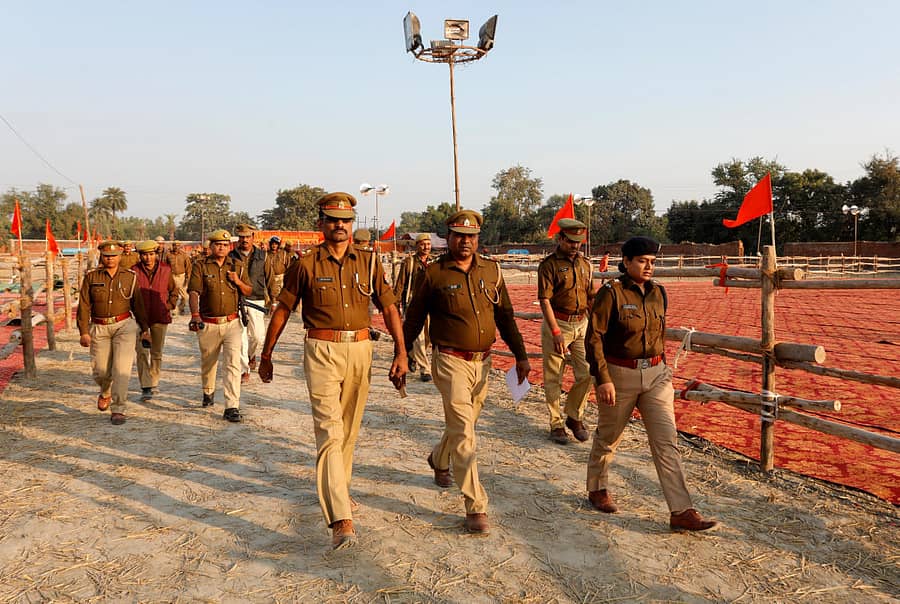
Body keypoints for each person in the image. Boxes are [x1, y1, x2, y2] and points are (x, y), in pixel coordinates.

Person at [258, 192, 407, 549]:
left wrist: (402, 352)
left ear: (352, 223)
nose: (339, 225)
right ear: (321, 224)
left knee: (350, 430)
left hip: (360, 349)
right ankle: (341, 516)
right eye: (332, 219)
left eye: (345, 220)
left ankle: (340, 488)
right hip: (321, 349)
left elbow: (388, 309)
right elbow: (283, 309)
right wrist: (266, 353)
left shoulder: (370, 263)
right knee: (329, 430)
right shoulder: (306, 263)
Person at [403, 209, 531, 535]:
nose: (465, 242)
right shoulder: (433, 274)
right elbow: (414, 319)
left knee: (464, 425)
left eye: (471, 236)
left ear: (478, 239)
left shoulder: (492, 271)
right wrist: (401, 356)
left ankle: (438, 457)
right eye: (459, 236)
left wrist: (520, 355)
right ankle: (476, 505)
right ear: (448, 238)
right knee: (464, 430)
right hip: (449, 361)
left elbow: (505, 317)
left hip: (483, 363)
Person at [585, 236, 718, 532]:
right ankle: (597, 487)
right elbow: (593, 337)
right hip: (620, 375)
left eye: (653, 262)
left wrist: (664, 368)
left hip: (656, 374)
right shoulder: (612, 293)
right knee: (609, 436)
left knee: (666, 441)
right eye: (642, 261)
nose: (649, 267)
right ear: (627, 261)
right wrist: (603, 378)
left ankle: (681, 510)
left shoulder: (659, 292)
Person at [76, 240, 151, 425]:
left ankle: (118, 408)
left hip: (124, 325)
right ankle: (105, 390)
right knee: (100, 370)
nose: (110, 259)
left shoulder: (130, 277)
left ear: (119, 256)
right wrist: (84, 331)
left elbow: (138, 305)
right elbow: (84, 306)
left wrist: (145, 329)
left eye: (114, 256)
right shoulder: (91, 277)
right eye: (107, 256)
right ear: (102, 256)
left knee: (121, 368)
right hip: (99, 327)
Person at [538, 218, 596, 444]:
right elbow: (544, 300)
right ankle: (555, 423)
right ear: (560, 238)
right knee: (554, 377)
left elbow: (591, 296)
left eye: (579, 241)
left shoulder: (586, 264)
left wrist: (596, 326)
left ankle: (574, 416)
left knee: (589, 372)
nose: (575, 245)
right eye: (570, 241)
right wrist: (555, 331)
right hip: (558, 322)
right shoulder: (549, 265)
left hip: (582, 323)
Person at [188, 229, 252, 422]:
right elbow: (193, 292)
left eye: (225, 245)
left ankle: (231, 406)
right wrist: (195, 315)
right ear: (211, 246)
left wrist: (238, 281)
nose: (221, 248)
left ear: (229, 247)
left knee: (233, 363)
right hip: (208, 323)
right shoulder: (201, 266)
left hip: (232, 322)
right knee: (209, 362)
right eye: (217, 244)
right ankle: (208, 391)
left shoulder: (238, 266)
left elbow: (249, 290)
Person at [133, 240, 178, 401]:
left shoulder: (166, 270)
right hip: (140, 317)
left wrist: (169, 305)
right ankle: (145, 386)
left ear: (156, 254)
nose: (148, 258)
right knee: (141, 351)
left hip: (160, 316)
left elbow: (174, 290)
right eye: (144, 254)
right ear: (140, 255)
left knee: (156, 352)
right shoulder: (134, 271)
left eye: (151, 254)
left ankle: (153, 381)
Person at [229, 224, 274, 383]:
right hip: (237, 299)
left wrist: (274, 301)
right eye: (241, 237)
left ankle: (251, 354)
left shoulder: (263, 256)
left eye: (247, 237)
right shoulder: (230, 256)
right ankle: (244, 369)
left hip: (257, 300)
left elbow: (270, 278)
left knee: (257, 336)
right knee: (241, 338)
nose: (244, 240)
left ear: (253, 238)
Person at [393, 233, 433, 382]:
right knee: (418, 336)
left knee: (428, 338)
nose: (426, 247)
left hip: (431, 305)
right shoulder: (409, 263)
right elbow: (400, 284)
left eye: (428, 244)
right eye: (423, 244)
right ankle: (425, 369)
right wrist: (395, 305)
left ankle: (411, 354)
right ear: (417, 245)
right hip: (414, 305)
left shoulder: (434, 263)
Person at [165, 240, 192, 314]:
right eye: (175, 245)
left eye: (178, 245)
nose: (176, 247)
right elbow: (165, 266)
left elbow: (188, 268)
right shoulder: (168, 255)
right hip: (172, 276)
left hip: (181, 277)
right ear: (172, 246)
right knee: (172, 294)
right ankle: (174, 309)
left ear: (180, 246)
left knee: (185, 296)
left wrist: (187, 278)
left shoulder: (184, 255)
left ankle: (181, 307)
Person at [265, 235, 291, 302]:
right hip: (270, 278)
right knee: (271, 296)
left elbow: (288, 266)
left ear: (278, 245)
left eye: (276, 244)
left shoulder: (284, 253)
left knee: (282, 296)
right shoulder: (266, 254)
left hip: (282, 278)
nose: (274, 246)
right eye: (272, 244)